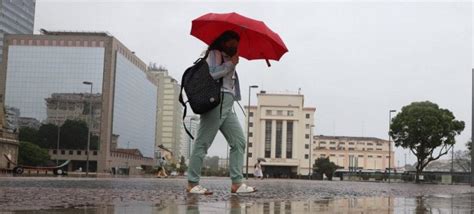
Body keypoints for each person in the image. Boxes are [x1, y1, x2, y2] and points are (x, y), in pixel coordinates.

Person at [186, 30, 256, 195]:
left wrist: (232, 63)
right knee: (203, 142)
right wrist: (231, 64)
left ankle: (237, 183)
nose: (235, 46)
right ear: (224, 41)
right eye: (232, 43)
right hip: (217, 101)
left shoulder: (227, 56)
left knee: (238, 142)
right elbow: (212, 73)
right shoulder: (215, 53)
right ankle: (192, 183)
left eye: (236, 44)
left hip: (228, 103)